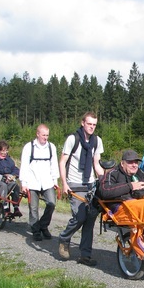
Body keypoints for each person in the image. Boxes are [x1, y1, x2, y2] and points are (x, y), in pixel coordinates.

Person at [58, 111, 104, 266]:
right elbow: (62, 162)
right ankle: (64, 238)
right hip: (75, 184)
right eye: (89, 124)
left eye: (94, 125)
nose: (91, 127)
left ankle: (85, 255)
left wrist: (104, 180)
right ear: (82, 123)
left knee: (90, 220)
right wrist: (64, 183)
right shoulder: (73, 139)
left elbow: (96, 164)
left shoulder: (97, 141)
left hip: (90, 185)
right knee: (80, 217)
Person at [20, 124, 59, 241]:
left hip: (47, 181)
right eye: (43, 135)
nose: (45, 138)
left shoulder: (51, 147)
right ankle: (35, 230)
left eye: (47, 135)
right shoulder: (29, 147)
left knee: (51, 203)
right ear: (37, 134)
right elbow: (24, 166)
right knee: (33, 208)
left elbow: (54, 165)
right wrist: (24, 183)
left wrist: (55, 180)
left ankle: (43, 225)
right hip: (32, 182)